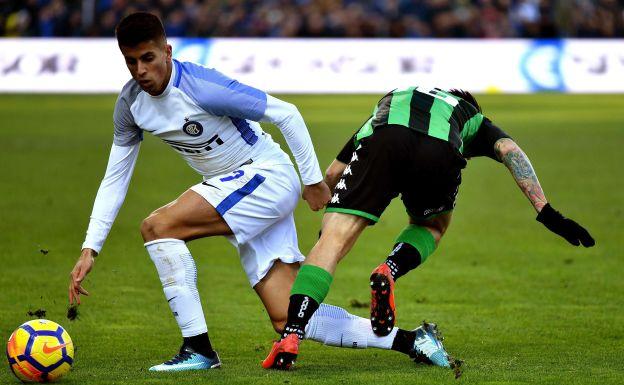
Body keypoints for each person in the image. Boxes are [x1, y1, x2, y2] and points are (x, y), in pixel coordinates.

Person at [68, 13, 450, 372]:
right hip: (237, 190)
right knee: (287, 316)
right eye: (130, 62)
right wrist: (91, 247)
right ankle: (414, 341)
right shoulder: (131, 104)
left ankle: (197, 348)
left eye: (148, 58)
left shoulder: (202, 87)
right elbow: (115, 176)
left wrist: (314, 181)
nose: (140, 71)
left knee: (158, 227)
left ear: (167, 51)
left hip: (264, 176)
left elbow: (287, 113)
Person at [263, 86, 595, 369]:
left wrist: (325, 213)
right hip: (438, 151)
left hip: (384, 138)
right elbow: (510, 152)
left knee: (332, 241)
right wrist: (546, 210)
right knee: (433, 224)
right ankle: (389, 270)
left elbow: (333, 173)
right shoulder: (471, 116)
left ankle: (292, 333)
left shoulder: (394, 98)